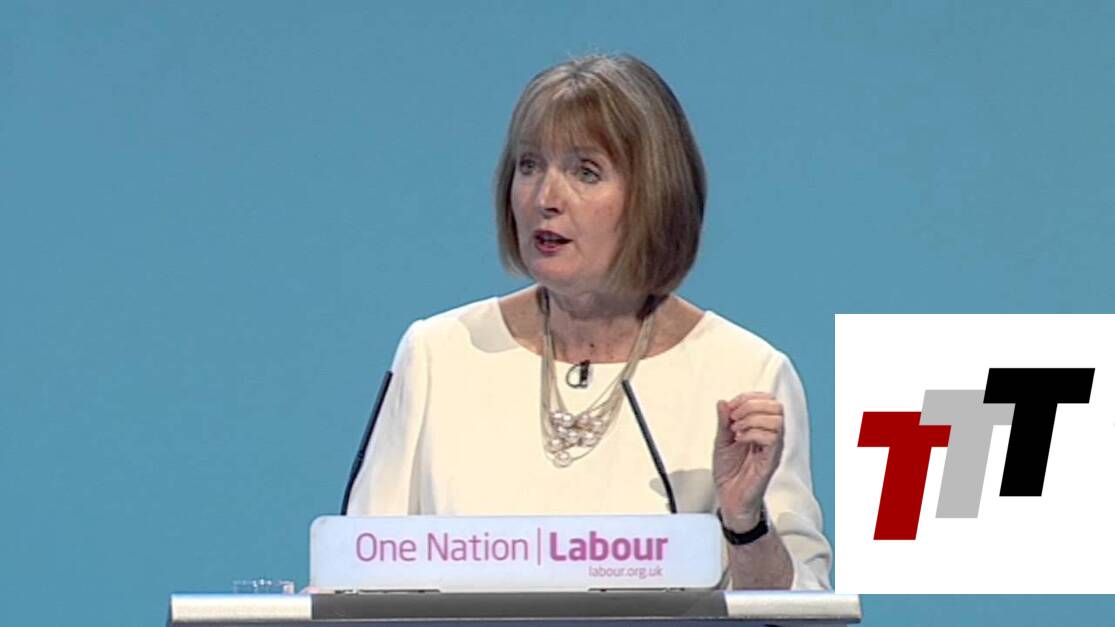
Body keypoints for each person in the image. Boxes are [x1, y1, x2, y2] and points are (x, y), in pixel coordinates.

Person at [345, 54, 831, 590]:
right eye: (529, 166)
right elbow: (358, 581)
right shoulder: (439, 354)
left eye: (585, 172)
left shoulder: (745, 373)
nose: (545, 198)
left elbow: (799, 611)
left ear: (654, 196)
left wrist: (744, 523)